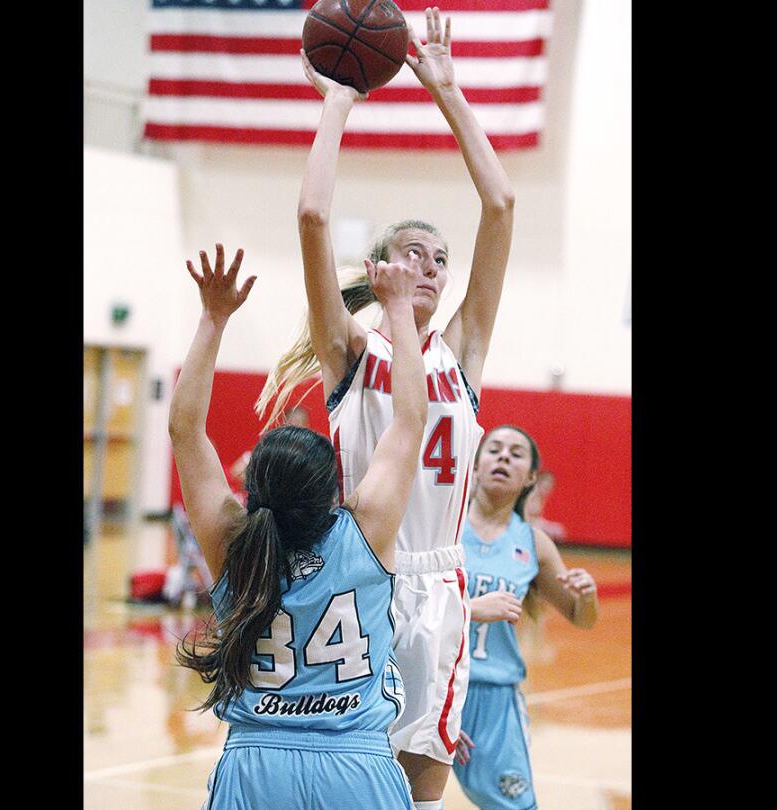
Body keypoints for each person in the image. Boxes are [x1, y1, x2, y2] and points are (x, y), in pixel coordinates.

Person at [256, 9, 519, 807]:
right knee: (349, 777)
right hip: (358, 575)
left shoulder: (460, 352)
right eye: (415, 255)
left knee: (421, 790)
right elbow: (311, 217)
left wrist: (448, 91)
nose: (433, 269)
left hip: (439, 586)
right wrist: (336, 103)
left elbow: (501, 205)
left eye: (442, 260)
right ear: (379, 268)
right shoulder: (353, 352)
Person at [169, 243, 430, 809]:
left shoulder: (230, 542)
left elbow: (185, 430)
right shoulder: (365, 532)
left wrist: (213, 319)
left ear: (251, 489)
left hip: (256, 766)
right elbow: (410, 419)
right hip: (356, 766)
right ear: (333, 488)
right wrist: (401, 310)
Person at [450, 426, 599, 809]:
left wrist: (587, 596)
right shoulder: (442, 527)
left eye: (516, 454)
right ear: (476, 464)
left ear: (531, 477)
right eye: (494, 449)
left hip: (494, 698)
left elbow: (581, 618)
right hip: (433, 685)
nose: (503, 457)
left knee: (514, 804)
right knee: (404, 799)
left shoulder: (532, 542)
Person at [521, 470, 566, 541]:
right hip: (525, 525)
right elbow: (523, 516)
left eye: (550, 484)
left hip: (534, 525)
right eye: (546, 484)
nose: (548, 487)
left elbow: (538, 518)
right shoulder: (531, 494)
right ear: (539, 482)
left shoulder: (541, 498)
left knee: (558, 530)